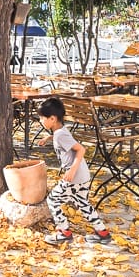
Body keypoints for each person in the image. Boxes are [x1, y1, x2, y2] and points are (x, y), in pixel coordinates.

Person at [37, 97, 112, 245]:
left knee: (52, 200)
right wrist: (49, 137)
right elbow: (65, 140)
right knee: (82, 203)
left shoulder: (60, 135)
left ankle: (64, 232)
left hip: (74, 176)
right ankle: (103, 233)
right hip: (82, 175)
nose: (41, 121)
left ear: (52, 118)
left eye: (42, 118)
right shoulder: (60, 131)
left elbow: (80, 150)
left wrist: (71, 170)